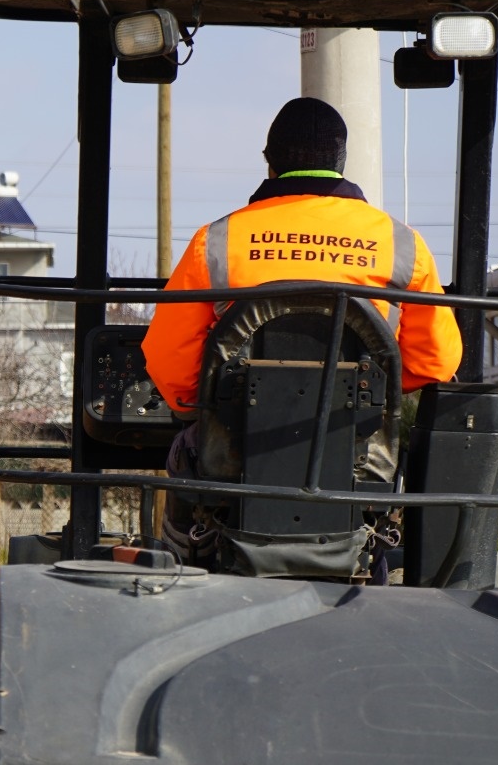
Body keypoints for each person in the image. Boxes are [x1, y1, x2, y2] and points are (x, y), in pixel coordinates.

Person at [143, 98, 461, 561]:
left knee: (182, 453)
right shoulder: (401, 244)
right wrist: (370, 392)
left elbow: (173, 374)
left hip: (232, 461)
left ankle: (183, 560)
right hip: (360, 460)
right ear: (341, 163)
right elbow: (435, 362)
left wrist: (217, 401)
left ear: (270, 165)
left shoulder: (216, 241)